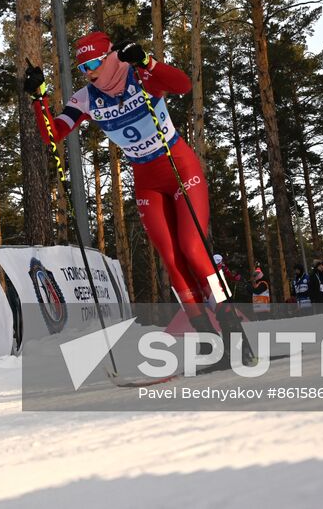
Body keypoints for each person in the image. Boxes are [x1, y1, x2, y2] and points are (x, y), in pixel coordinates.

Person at [25, 33, 250, 348]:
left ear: (111, 56)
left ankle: (230, 325)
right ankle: (206, 338)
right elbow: (53, 134)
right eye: (83, 67)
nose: (89, 72)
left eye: (94, 63)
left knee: (193, 248)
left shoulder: (138, 75)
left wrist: (147, 61)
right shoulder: (86, 98)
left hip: (179, 167)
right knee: (171, 260)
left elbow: (183, 85)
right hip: (146, 179)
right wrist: (39, 98)